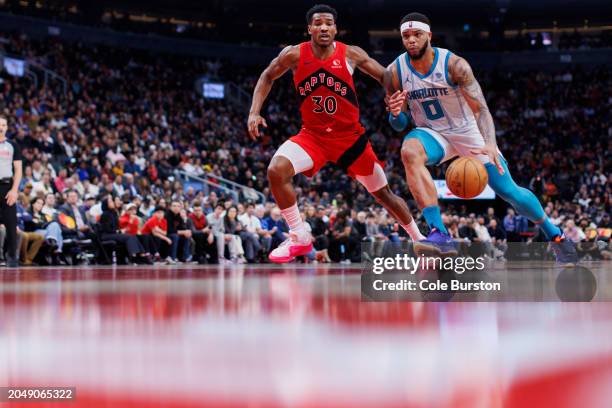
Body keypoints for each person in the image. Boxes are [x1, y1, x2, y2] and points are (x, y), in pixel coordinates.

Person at [385, 12, 577, 263]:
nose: (411, 40)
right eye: (406, 36)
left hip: (468, 131)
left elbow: (481, 110)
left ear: (429, 36)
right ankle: (438, 233)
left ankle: (555, 235)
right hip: (433, 133)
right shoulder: (394, 72)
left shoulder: (455, 65)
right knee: (409, 150)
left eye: (417, 34)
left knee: (510, 192)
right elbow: (398, 125)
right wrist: (395, 113)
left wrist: (490, 143)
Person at [248, 4, 424, 263]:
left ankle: (419, 240)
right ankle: (299, 235)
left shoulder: (351, 54)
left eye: (329, 23)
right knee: (276, 169)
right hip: (313, 137)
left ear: (335, 28)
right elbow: (267, 76)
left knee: (383, 194)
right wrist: (254, 111)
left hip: (350, 139)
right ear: (309, 28)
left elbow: (385, 76)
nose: (323, 27)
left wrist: (393, 98)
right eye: (318, 23)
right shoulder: (294, 55)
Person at [98, 195, 151, 264]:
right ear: (106, 204)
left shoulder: (113, 213)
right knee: (129, 236)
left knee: (132, 236)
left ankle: (141, 255)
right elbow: (107, 229)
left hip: (113, 234)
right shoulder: (105, 215)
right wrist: (119, 231)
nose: (113, 203)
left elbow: (116, 226)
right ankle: (133, 256)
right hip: (107, 235)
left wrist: (120, 230)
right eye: (110, 202)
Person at [0, 116, 22, 267]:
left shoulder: (13, 145)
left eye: (3, 125)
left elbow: (18, 170)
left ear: (7, 127)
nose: (0, 127)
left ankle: (12, 258)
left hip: (7, 187)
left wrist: (14, 190)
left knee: (11, 223)